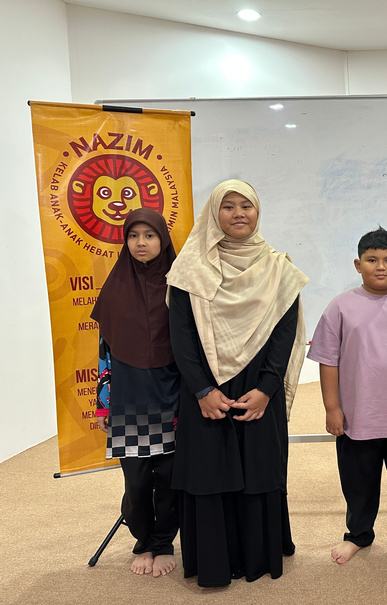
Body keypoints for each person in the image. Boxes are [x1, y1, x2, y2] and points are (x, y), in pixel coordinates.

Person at [166, 179, 308, 587]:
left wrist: (266, 390)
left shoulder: (278, 267)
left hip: (258, 388)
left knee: (259, 466)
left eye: (246, 205)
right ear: (214, 214)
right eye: (227, 206)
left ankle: (257, 555)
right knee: (209, 468)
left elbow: (284, 335)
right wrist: (201, 391)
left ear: (258, 211)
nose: (238, 214)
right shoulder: (189, 269)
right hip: (205, 391)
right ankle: (216, 560)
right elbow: (182, 336)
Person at [307, 227, 387, 570]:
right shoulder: (340, 307)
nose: (381, 266)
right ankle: (358, 534)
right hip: (357, 416)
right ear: (357, 264)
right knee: (358, 483)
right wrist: (332, 408)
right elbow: (328, 361)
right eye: (372, 260)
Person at [92, 208, 180, 578]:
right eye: (133, 236)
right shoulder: (114, 288)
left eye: (149, 235)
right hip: (129, 396)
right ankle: (143, 541)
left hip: (172, 394)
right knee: (137, 479)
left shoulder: (181, 285)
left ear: (163, 240)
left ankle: (163, 543)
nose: (140, 243)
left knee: (171, 476)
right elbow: (105, 352)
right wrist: (103, 405)